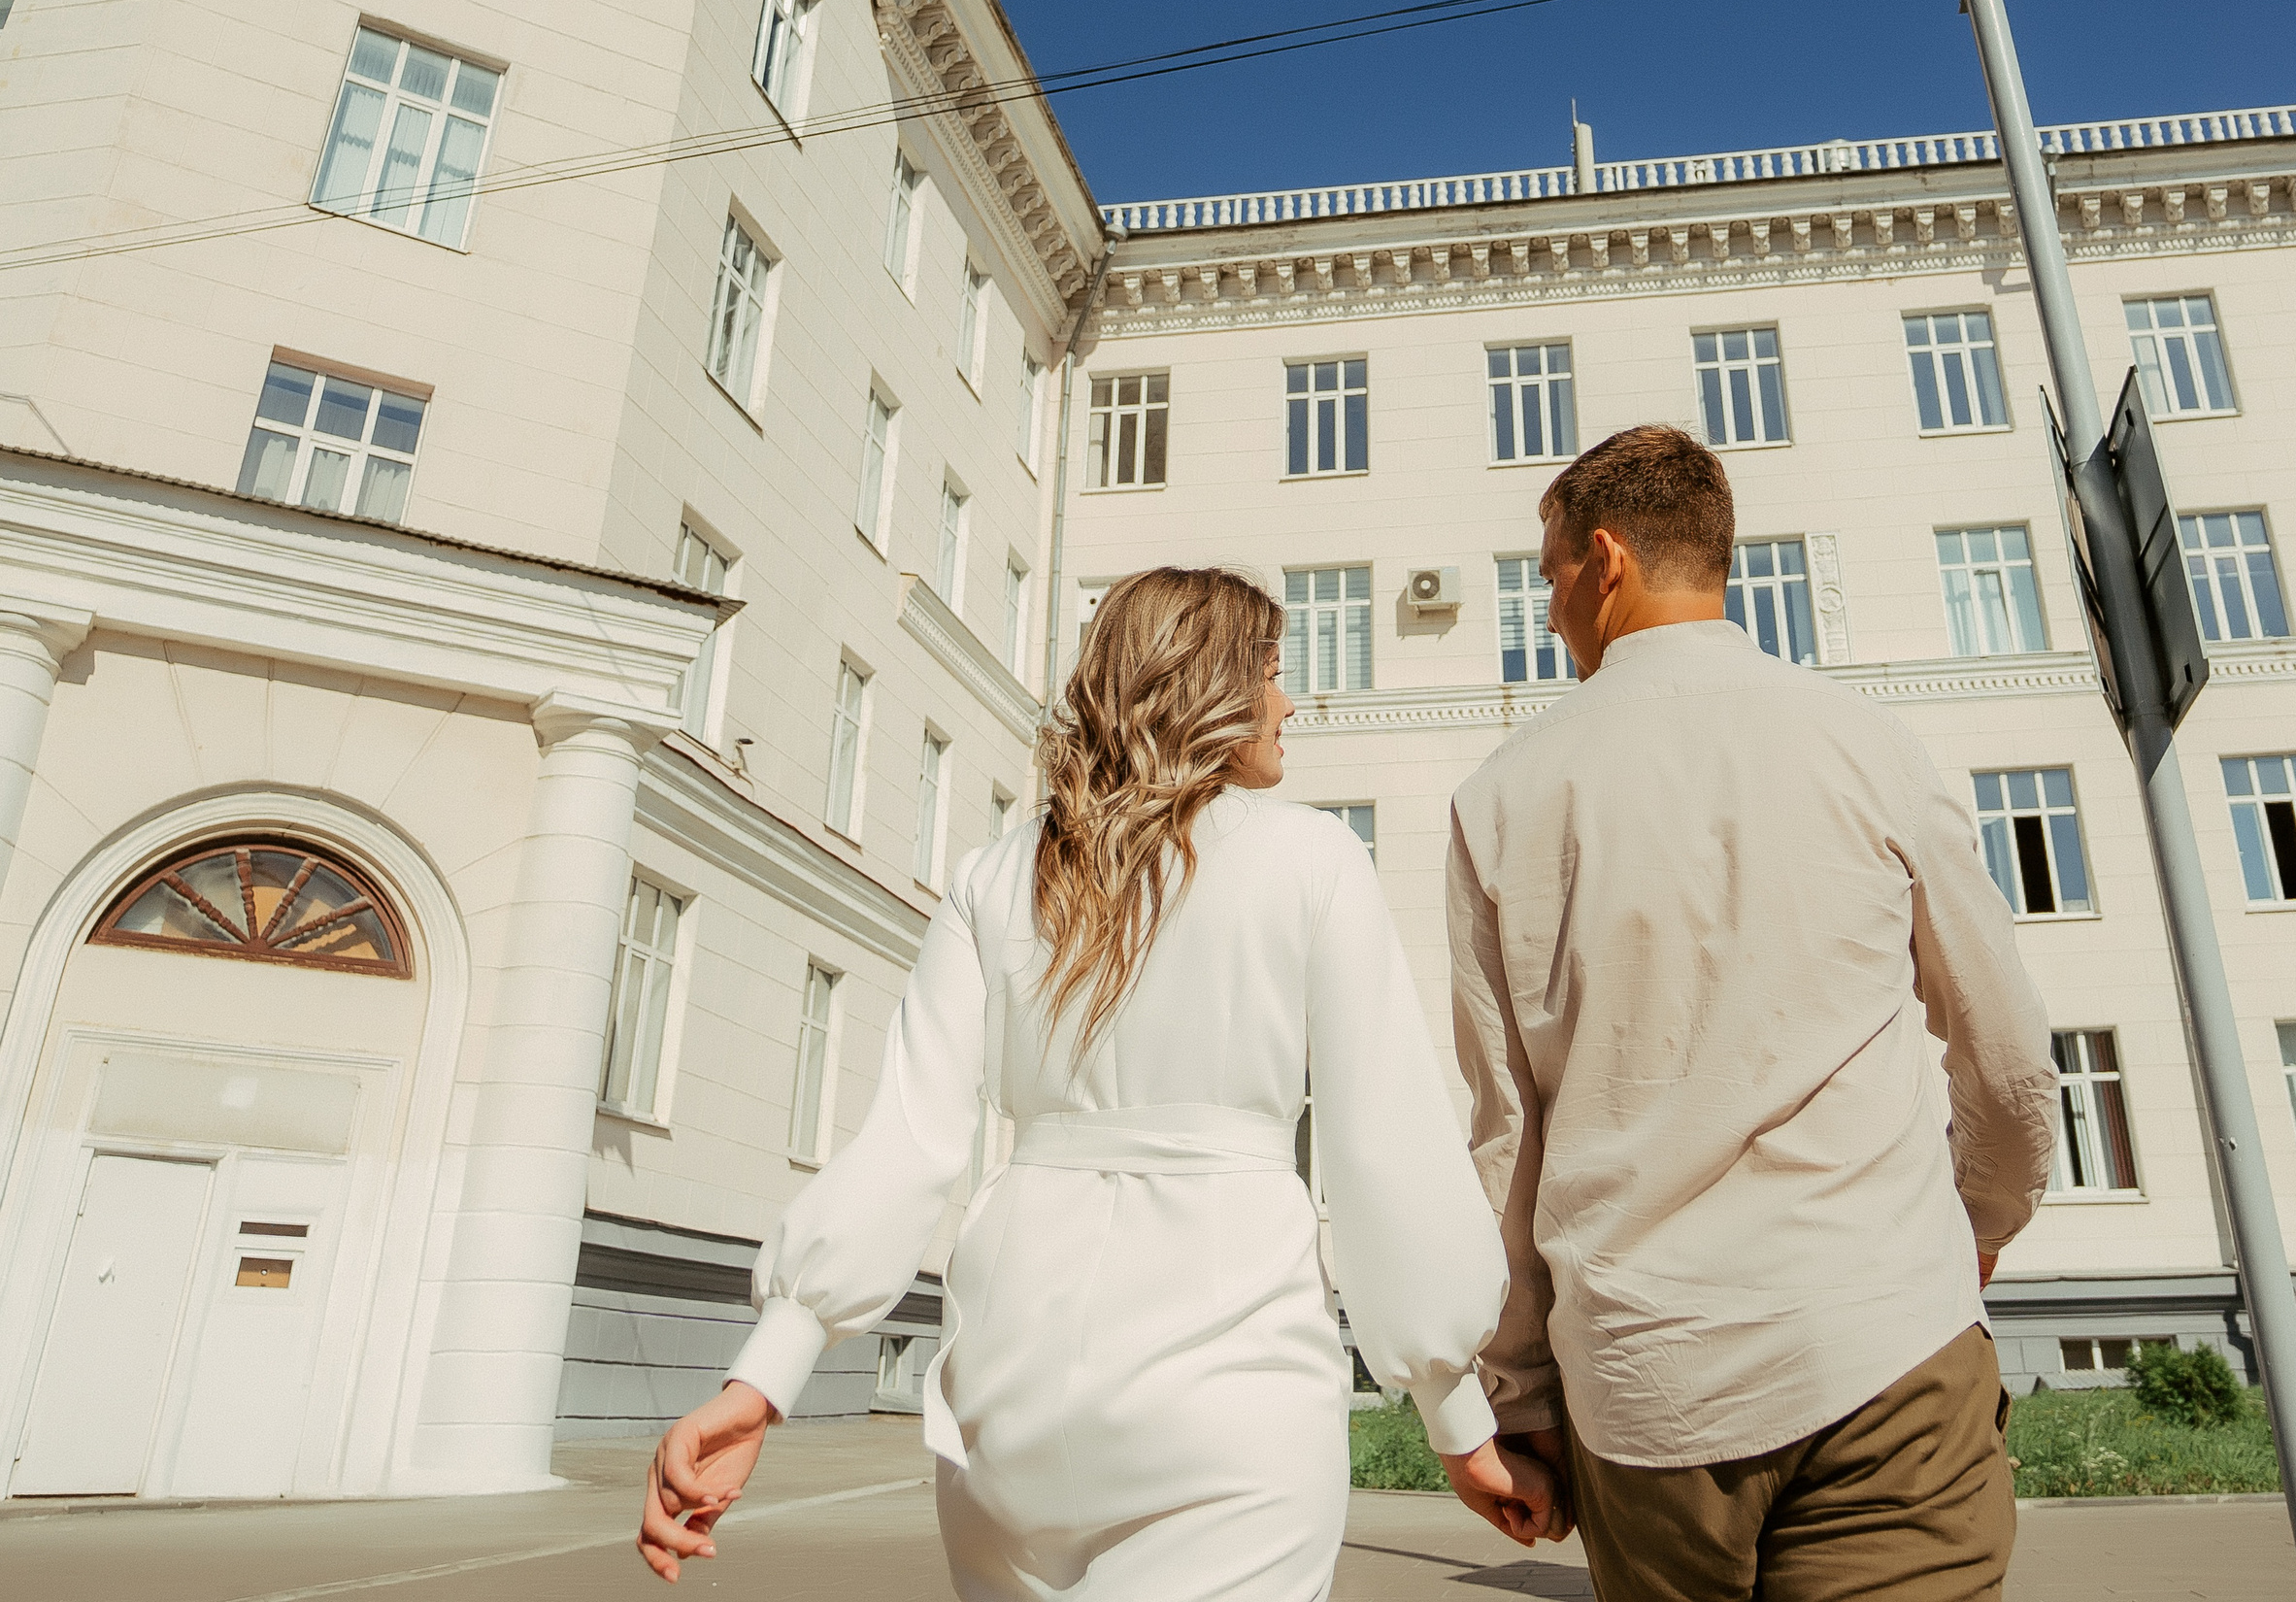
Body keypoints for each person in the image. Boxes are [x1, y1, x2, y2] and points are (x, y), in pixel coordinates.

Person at [639, 565, 1562, 1595]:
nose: (1289, 702)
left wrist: (766, 1371)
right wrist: (1455, 1416)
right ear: (1207, 687)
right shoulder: (1315, 858)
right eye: (1270, 672)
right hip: (1230, 1402)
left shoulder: (996, 875)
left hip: (1010, 1409)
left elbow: (906, 1141)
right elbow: (1388, 1151)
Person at [1442, 426, 2058, 1602]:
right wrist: (1978, 1220)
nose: (1552, 608)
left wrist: (1518, 1399)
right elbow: (2007, 1047)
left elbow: (1505, 1141)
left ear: (1605, 561)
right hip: (1883, 1342)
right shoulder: (1869, 744)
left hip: (1650, 1385)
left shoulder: (1501, 800)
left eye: (1550, 575)